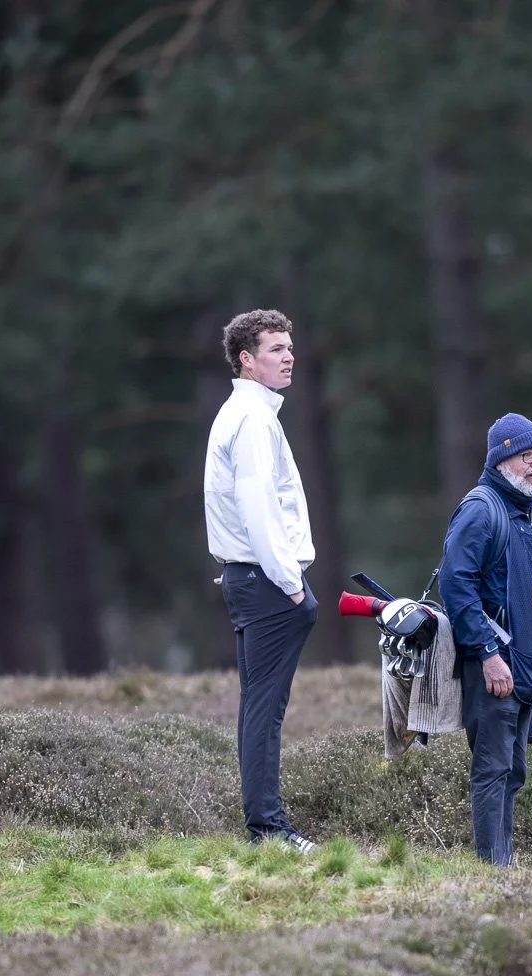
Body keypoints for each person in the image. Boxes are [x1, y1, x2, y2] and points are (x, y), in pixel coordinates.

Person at [203, 309, 319, 852]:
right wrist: (291, 583)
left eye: (289, 347)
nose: (288, 356)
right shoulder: (252, 420)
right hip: (266, 581)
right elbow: (258, 508)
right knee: (265, 712)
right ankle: (269, 830)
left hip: (249, 578)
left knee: (257, 709)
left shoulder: (243, 413)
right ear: (247, 360)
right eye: (275, 349)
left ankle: (264, 829)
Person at [438, 413, 532, 866]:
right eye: (526, 455)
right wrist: (488, 654)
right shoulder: (482, 509)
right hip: (494, 667)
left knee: (512, 770)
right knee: (493, 770)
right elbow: (456, 588)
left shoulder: (522, 512)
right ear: (500, 461)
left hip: (524, 670)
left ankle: (504, 864)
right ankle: (490, 869)